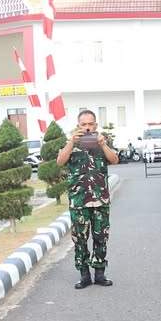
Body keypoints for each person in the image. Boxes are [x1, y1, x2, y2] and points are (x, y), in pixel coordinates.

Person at [57, 109, 119, 289]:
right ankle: (84, 274)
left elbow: (114, 160)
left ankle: (99, 273)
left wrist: (103, 144)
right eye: (83, 124)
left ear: (96, 125)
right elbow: (60, 161)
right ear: (78, 125)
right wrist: (71, 142)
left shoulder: (102, 141)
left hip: (100, 199)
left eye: (90, 124)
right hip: (79, 200)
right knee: (80, 238)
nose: (87, 128)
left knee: (101, 236)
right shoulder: (70, 143)